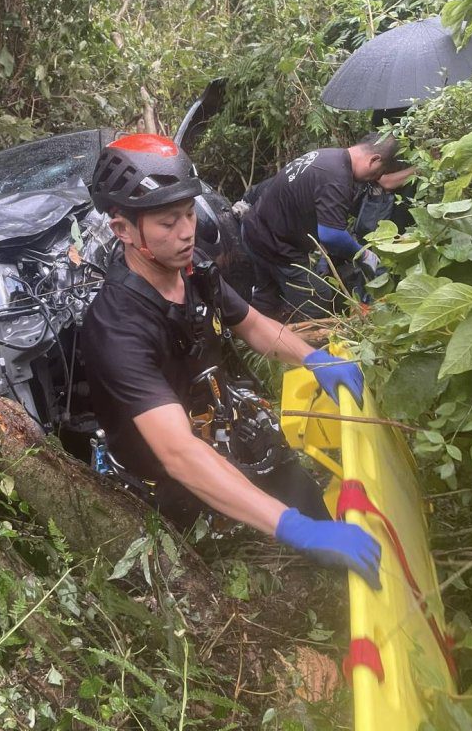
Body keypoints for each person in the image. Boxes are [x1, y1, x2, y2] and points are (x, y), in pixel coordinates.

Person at [81, 133, 381, 589]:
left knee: (296, 484)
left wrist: (314, 358)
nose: (186, 232)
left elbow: (254, 324)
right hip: (166, 470)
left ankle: (335, 578)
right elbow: (178, 454)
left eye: (187, 214)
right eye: (167, 223)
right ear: (123, 230)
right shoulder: (117, 327)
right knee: (211, 575)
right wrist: (292, 528)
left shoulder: (193, 270)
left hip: (216, 415)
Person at [240, 133, 407, 321]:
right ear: (374, 160)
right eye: (377, 173)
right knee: (316, 299)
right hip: (275, 244)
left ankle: (256, 339)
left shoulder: (328, 156)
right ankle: (304, 345)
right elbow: (331, 235)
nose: (373, 179)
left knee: (268, 294)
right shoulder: (337, 177)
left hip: (255, 230)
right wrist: (364, 255)